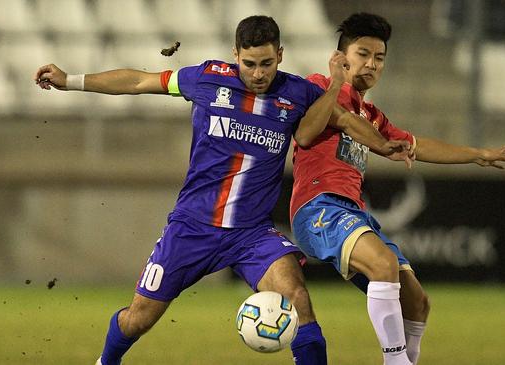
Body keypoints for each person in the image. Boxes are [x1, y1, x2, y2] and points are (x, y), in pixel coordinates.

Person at [33, 15, 376, 365]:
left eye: (267, 64)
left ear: (281, 55)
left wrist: (391, 145)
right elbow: (138, 81)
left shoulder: (298, 93)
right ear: (235, 54)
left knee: (298, 300)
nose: (258, 74)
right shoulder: (207, 79)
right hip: (192, 228)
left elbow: (348, 120)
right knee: (139, 319)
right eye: (250, 64)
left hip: (251, 234)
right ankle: (106, 361)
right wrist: (70, 80)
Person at [290, 13, 505, 365]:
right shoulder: (318, 87)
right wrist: (338, 87)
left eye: (379, 58)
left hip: (351, 211)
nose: (371, 64)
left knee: (417, 301)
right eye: (363, 54)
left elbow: (417, 145)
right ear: (341, 57)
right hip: (317, 207)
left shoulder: (372, 115)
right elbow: (315, 131)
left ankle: (404, 359)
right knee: (383, 265)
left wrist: (477, 155)